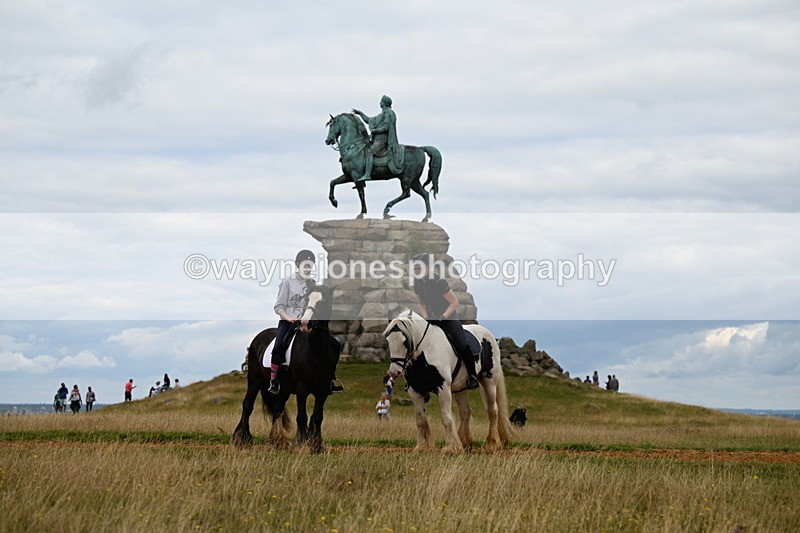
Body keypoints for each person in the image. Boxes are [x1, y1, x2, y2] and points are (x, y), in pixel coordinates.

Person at [267, 250, 344, 395]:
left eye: (310, 266)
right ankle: (274, 381)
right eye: (305, 265)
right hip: (288, 321)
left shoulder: (312, 284)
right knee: (278, 346)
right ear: (298, 265)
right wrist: (288, 317)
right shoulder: (287, 282)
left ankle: (330, 379)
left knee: (335, 344)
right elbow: (278, 306)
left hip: (306, 322)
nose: (308, 268)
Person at [411, 253, 479, 390]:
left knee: (462, 344)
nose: (418, 271)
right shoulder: (417, 283)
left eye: (420, 268)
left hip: (449, 318)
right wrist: (425, 316)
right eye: (416, 269)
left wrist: (443, 316)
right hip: (432, 319)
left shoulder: (439, 283)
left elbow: (454, 302)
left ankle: (473, 376)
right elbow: (421, 303)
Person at [352, 95, 404, 183]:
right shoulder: (381, 115)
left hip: (383, 141)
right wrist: (360, 113)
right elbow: (369, 120)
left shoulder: (389, 113)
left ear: (384, 103)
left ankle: (367, 174)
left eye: (381, 101)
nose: (379, 103)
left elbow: (386, 127)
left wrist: (375, 131)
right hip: (377, 140)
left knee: (370, 152)